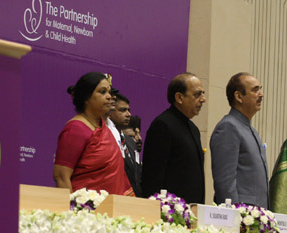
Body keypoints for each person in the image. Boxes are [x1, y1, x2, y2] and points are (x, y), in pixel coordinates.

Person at [53, 72, 133, 195]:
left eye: (109, 92)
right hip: (85, 210)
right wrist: (70, 212)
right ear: (86, 97)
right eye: (102, 92)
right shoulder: (75, 129)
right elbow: (61, 177)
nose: (109, 97)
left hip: (112, 209)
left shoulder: (104, 127)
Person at [141, 72, 206, 204]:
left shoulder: (193, 128)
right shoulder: (163, 125)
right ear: (179, 97)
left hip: (192, 210)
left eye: (203, 93)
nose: (203, 99)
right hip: (170, 212)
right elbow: (153, 177)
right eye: (197, 94)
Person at [210, 72, 269, 207]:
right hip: (240, 217)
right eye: (255, 90)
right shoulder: (228, 127)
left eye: (260, 89)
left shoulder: (250, 129)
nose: (261, 94)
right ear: (238, 96)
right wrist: (233, 217)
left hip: (256, 215)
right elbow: (225, 182)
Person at [108, 92, 142, 197]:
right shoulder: (105, 139)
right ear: (109, 112)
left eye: (128, 110)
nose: (128, 114)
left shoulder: (131, 142)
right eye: (123, 110)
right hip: (113, 198)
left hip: (134, 200)